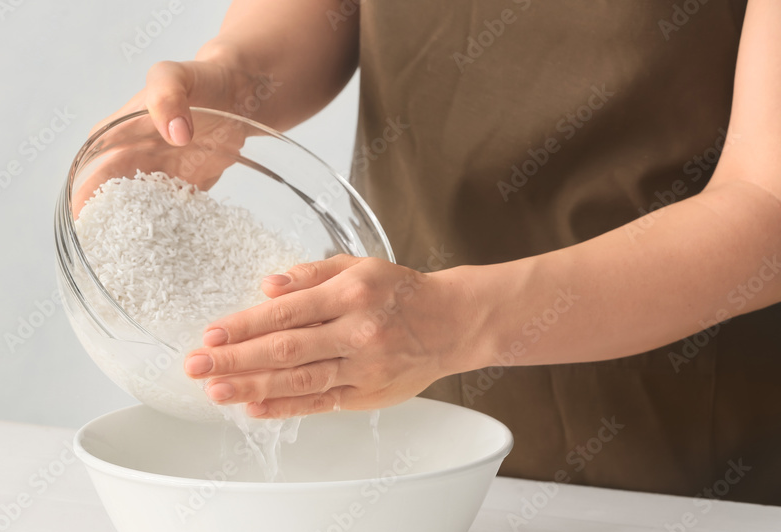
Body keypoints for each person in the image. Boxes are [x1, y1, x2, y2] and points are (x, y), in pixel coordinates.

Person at [95, 0, 781, 504]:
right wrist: (233, 84)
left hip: (682, 468)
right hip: (398, 424)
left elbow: (768, 207)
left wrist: (449, 321)